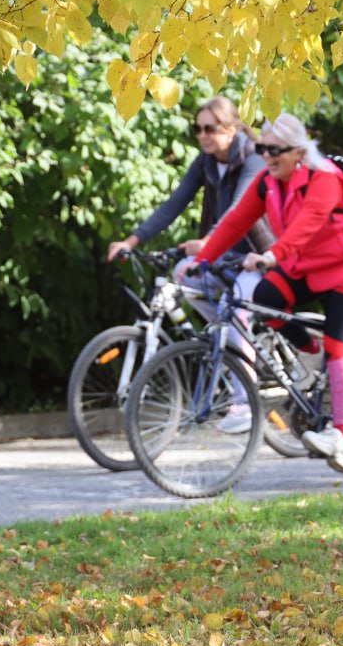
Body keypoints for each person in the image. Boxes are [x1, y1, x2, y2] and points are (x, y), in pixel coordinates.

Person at [192, 113, 343, 472]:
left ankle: (341, 438)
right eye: (262, 148)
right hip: (310, 265)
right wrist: (202, 259)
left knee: (339, 344)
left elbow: (306, 225)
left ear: (298, 151)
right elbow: (237, 220)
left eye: (273, 150)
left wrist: (270, 256)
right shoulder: (269, 182)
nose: (265, 156)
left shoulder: (325, 177)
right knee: (265, 299)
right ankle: (312, 357)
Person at [106, 96, 275, 433]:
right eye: (197, 128)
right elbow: (173, 205)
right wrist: (131, 241)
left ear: (231, 128)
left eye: (209, 128)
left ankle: (244, 404)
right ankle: (234, 350)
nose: (202, 135)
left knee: (235, 310)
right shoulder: (207, 162)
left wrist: (210, 243)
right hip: (224, 256)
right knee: (186, 279)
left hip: (259, 257)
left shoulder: (254, 159)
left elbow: (238, 211)